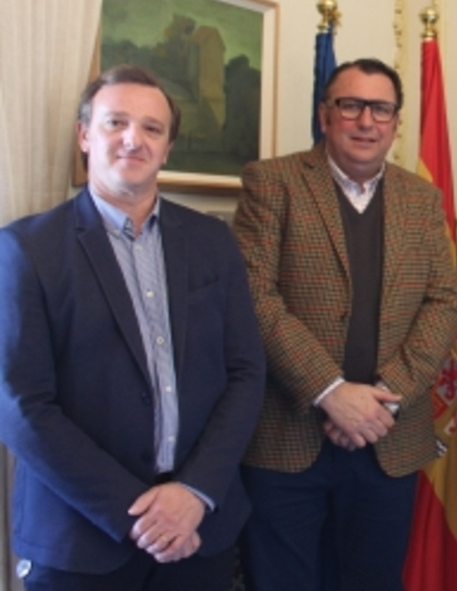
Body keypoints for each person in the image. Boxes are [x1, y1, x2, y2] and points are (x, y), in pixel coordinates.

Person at [0, 65, 266, 590]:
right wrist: (138, 514)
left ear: (167, 148)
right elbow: (21, 405)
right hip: (81, 541)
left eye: (152, 128)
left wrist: (195, 493)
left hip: (201, 529)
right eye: (116, 122)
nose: (133, 139)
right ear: (84, 135)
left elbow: (245, 373)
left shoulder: (213, 242)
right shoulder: (26, 249)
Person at [232, 57, 457, 591]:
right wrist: (329, 390)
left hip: (388, 438)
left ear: (396, 122)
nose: (366, 121)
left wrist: (385, 397)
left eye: (380, 109)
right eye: (351, 105)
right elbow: (253, 297)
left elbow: (443, 302)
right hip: (286, 441)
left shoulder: (421, 199)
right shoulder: (273, 182)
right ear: (325, 114)